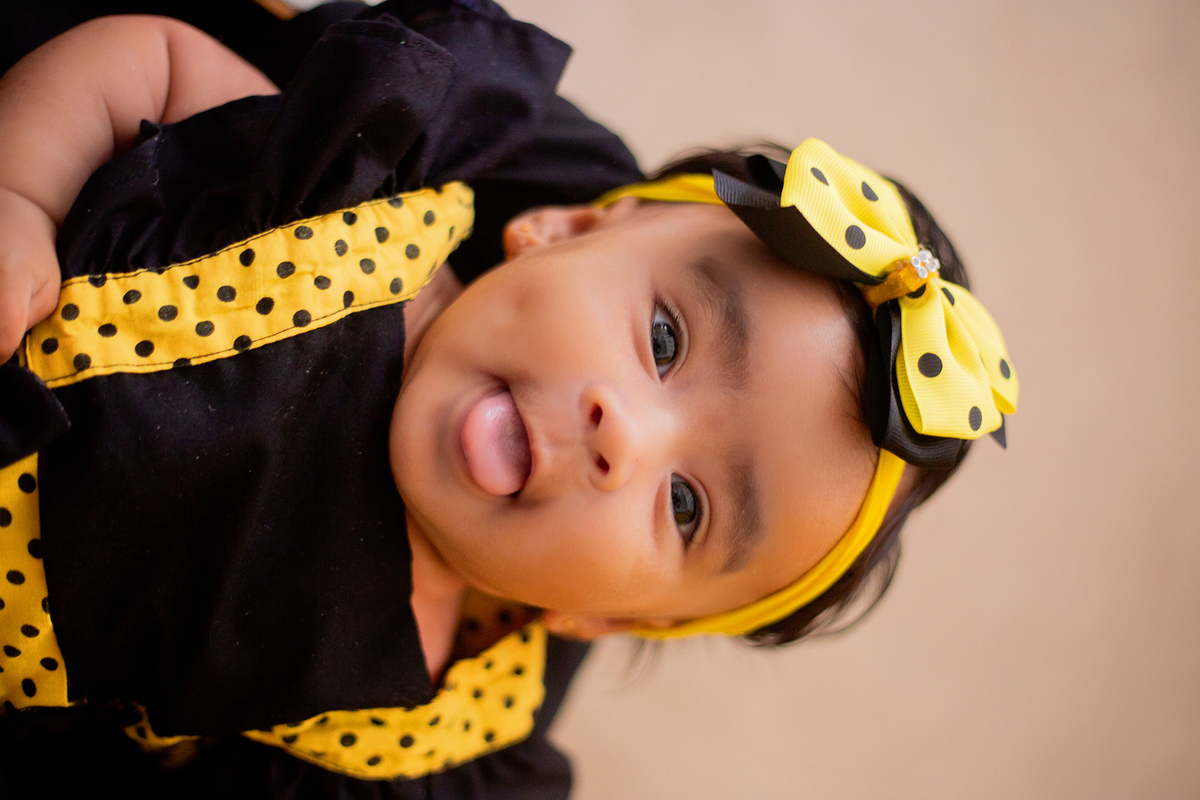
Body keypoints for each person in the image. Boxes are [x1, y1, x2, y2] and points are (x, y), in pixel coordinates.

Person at [0, 2, 1018, 797]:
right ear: (566, 229)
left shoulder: (423, 724)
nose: (626, 434)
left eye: (687, 505)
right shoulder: (355, 202)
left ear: (599, 614)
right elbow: (145, 62)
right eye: (663, 338)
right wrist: (23, 198)